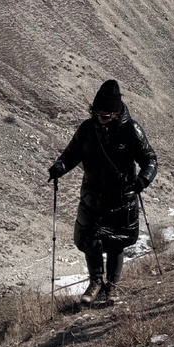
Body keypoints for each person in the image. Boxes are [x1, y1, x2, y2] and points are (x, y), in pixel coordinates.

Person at [48, 80, 158, 306]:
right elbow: (71, 154)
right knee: (91, 240)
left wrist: (143, 180)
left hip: (121, 197)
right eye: (97, 114)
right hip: (93, 196)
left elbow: (149, 159)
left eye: (106, 115)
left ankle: (113, 286)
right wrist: (60, 166)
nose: (101, 118)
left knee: (115, 242)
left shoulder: (131, 130)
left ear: (117, 113)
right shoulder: (87, 129)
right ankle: (95, 282)